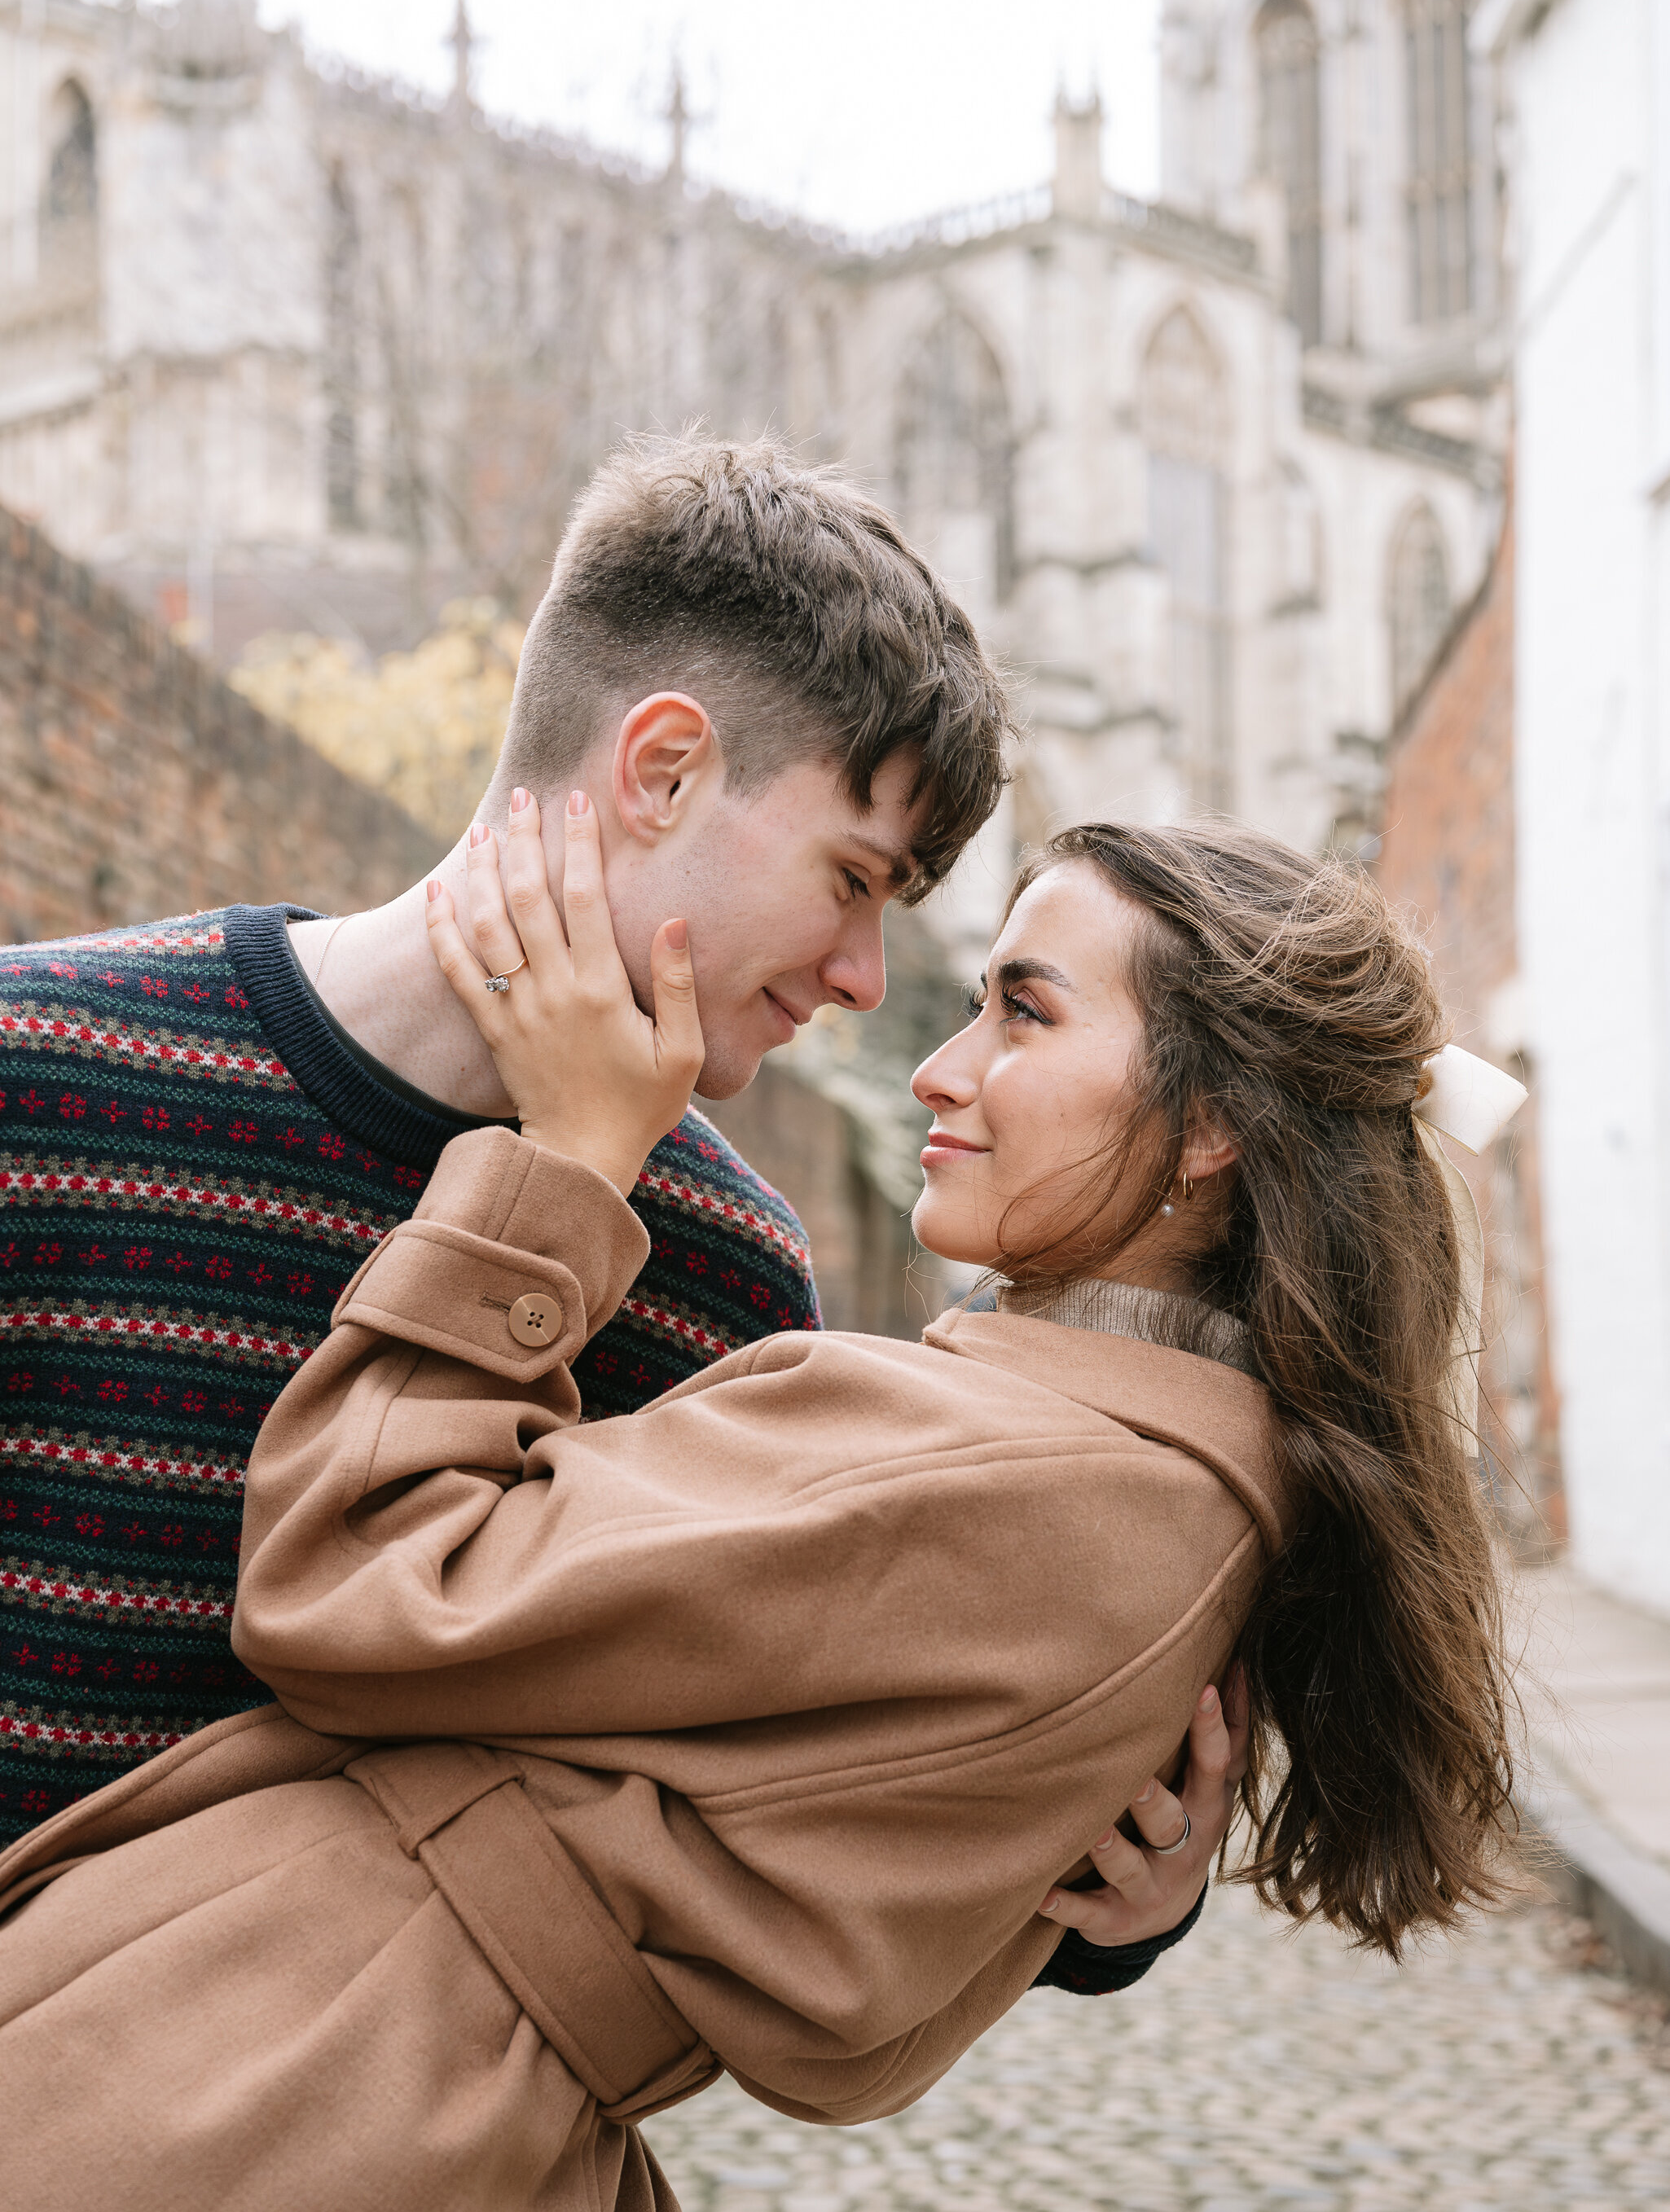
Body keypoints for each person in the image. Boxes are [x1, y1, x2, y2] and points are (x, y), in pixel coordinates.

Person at [0, 805, 1518, 2212]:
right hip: (366, 2142)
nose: (935, 1062)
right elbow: (852, 2003)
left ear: (1210, 1126)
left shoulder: (1029, 1465)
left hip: (259, 2108)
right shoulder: (1173, 1490)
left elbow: (359, 1571)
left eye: (1022, 1008)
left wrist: (567, 1162)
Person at [0, 433, 1227, 1957]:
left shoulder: (720, 1275)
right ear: (660, 770)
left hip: (409, 2185)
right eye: (852, 878)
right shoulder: (38, 1069)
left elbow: (810, 1799)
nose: (861, 979)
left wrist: (1119, 1912)